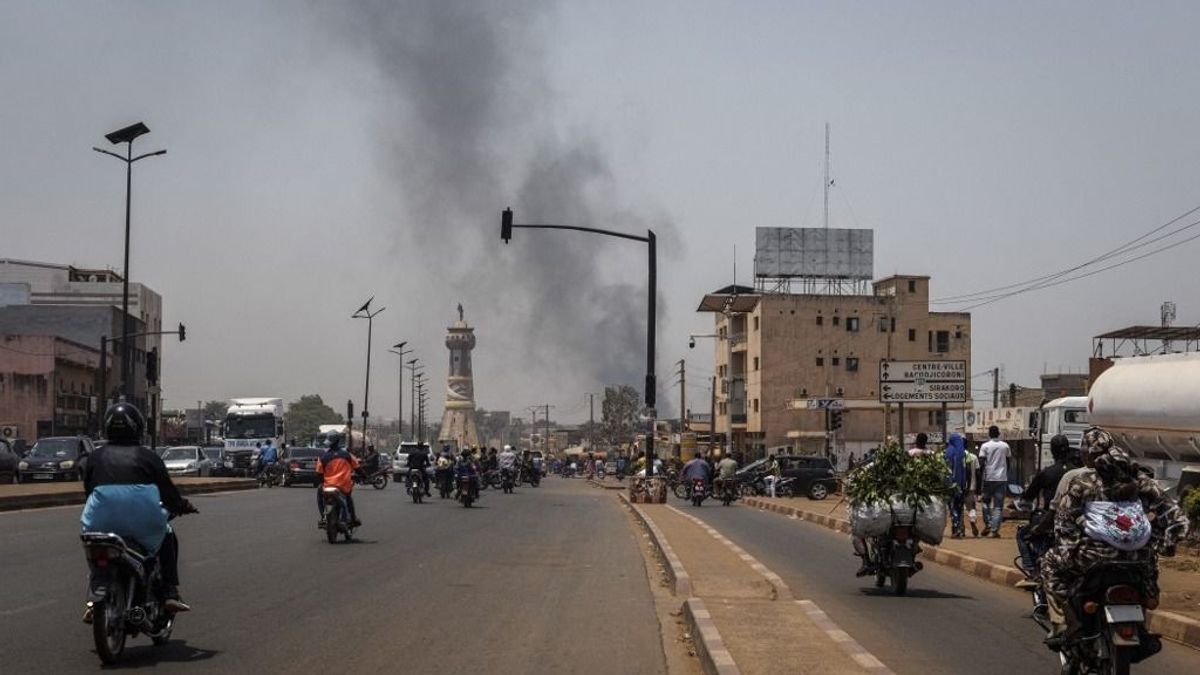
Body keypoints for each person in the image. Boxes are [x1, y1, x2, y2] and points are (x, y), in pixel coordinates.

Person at [1039, 428, 1189, 650]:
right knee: (1150, 566)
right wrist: (1163, 544)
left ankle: (1064, 624)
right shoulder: (1143, 482)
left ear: (1090, 455)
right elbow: (1178, 520)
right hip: (1139, 560)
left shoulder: (1083, 483)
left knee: (1050, 562)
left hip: (1092, 559)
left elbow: (1063, 523)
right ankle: (1144, 616)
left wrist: (1070, 549)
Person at [82, 402, 197, 619]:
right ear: (137, 428)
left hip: (98, 522)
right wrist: (182, 506)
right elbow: (168, 493)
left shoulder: (94, 458)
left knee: (96, 552)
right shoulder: (149, 457)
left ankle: (93, 596)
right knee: (167, 534)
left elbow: (88, 492)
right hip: (143, 523)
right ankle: (170, 591)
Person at [1014, 434, 1072, 584]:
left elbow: (1029, 496)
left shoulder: (1047, 472)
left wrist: (1023, 500)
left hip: (1051, 519)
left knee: (1022, 534)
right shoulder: (1077, 471)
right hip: (1075, 521)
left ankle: (1031, 570)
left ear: (1052, 451)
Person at [316, 433, 360, 529]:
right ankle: (352, 518)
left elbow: (319, 473)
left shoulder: (323, 456)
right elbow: (357, 467)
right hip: (344, 486)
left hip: (327, 486)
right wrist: (363, 476)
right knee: (348, 498)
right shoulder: (347, 455)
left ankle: (323, 517)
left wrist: (322, 483)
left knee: (320, 496)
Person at [978, 425, 1011, 538]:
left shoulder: (985, 446)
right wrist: (1005, 474)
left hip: (988, 479)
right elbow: (1008, 462)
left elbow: (981, 463)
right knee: (998, 506)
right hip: (1001, 479)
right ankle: (994, 530)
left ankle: (988, 524)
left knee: (985, 502)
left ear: (989, 434)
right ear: (998, 434)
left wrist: (980, 480)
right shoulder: (1005, 446)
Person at [944, 433, 970, 538]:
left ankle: (956, 527)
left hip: (951, 485)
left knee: (952, 507)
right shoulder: (963, 453)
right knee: (960, 507)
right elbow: (965, 470)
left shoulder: (948, 452)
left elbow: (946, 470)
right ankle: (961, 528)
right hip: (962, 484)